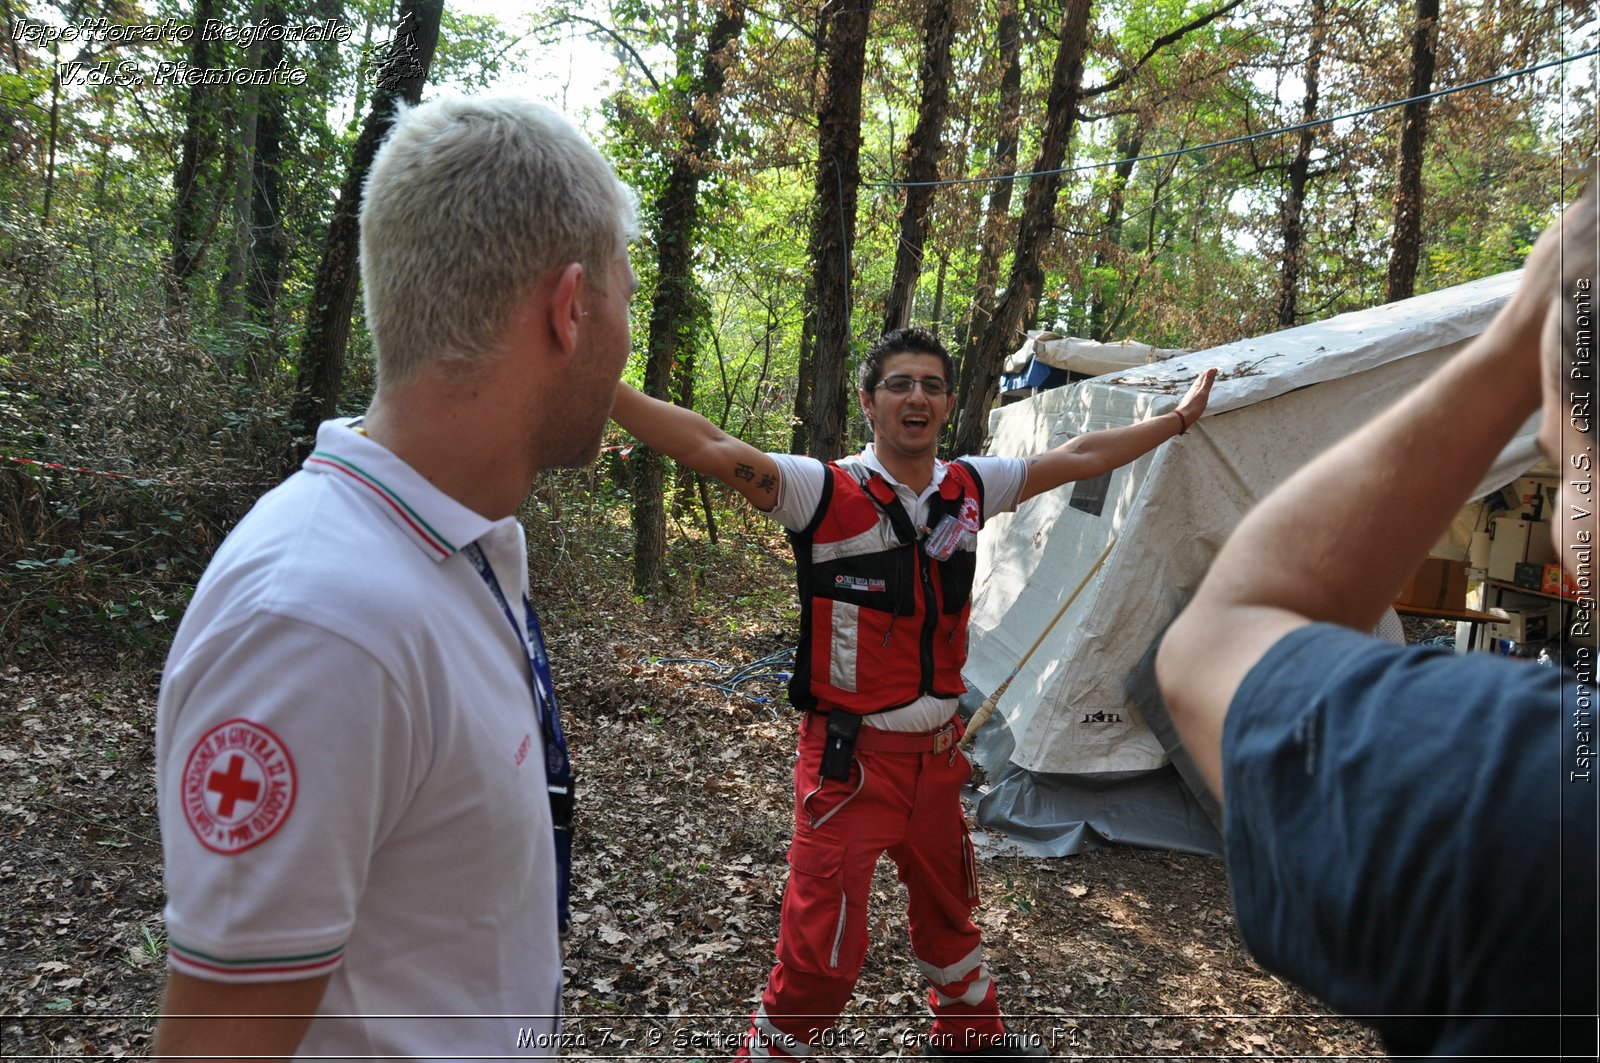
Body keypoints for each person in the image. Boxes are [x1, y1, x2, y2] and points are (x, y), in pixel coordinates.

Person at [153, 96, 638, 1057]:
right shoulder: (322, 623)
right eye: (627, 298)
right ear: (568, 307)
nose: (627, 337)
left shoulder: (451, 547)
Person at [611, 327, 1216, 1058]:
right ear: (869, 402)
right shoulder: (820, 491)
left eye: (931, 384)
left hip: (936, 764)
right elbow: (706, 445)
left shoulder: (968, 487)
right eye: (899, 384)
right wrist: (601, 387)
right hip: (849, 768)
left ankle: (969, 1040)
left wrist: (1176, 421)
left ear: (950, 401)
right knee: (822, 954)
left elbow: (1076, 458)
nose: (917, 397)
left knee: (951, 914)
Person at [1156, 178, 1599, 1059]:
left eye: (1564, 463)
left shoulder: (1542, 800)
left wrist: (1521, 335)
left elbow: (1220, 632)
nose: (1555, 514)